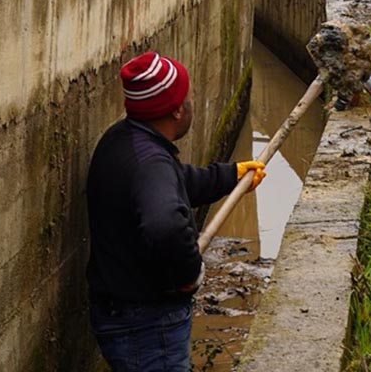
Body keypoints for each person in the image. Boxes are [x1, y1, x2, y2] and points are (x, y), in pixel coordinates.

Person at [86, 51, 266, 371]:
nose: (191, 101)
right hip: (148, 323)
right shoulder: (152, 163)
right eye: (189, 95)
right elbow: (164, 223)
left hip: (120, 309)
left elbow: (176, 181)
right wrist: (188, 273)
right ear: (177, 110)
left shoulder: (123, 140)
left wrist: (230, 175)